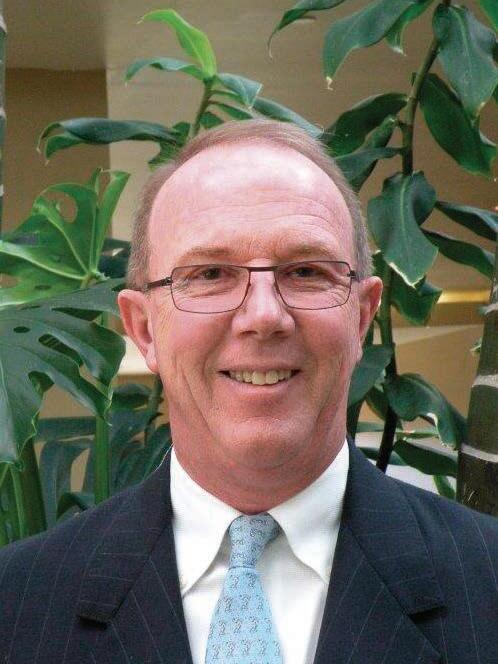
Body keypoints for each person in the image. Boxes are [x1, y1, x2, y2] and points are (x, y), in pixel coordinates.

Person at [0, 119, 497, 664]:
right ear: (144, 330)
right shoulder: (17, 605)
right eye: (211, 273)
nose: (263, 316)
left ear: (361, 318)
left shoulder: (486, 583)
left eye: (306, 271)